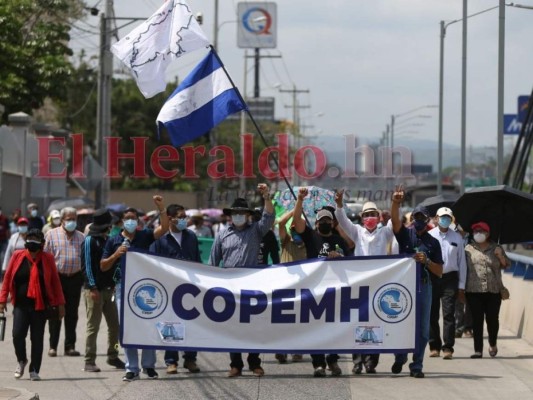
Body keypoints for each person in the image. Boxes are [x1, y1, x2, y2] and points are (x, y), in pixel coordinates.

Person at [100, 196, 168, 382]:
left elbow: (164, 229)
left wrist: (161, 208)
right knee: (127, 328)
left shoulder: (144, 235)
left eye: (133, 218)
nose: (130, 221)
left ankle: (148, 366)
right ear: (122, 221)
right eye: (127, 218)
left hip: (144, 287)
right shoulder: (114, 240)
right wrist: (116, 254)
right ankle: (132, 368)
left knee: (148, 325)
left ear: (137, 221)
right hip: (123, 288)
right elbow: (103, 266)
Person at [209, 184, 275, 378]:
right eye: (235, 213)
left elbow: (268, 217)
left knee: (254, 325)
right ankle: (235, 364)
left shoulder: (256, 230)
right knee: (233, 327)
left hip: (253, 284)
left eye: (241, 213)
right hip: (230, 286)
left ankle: (254, 362)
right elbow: (213, 261)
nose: (238, 216)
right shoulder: (222, 235)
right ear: (230, 215)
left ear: (247, 215)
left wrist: (266, 197)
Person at [334, 192, 397, 374]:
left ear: (378, 217)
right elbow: (342, 219)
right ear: (362, 218)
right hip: (360, 284)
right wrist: (339, 204)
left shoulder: (385, 232)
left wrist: (394, 203)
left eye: (373, 214)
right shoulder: (357, 232)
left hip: (378, 284)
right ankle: (357, 361)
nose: (370, 217)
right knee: (358, 322)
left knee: (375, 323)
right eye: (366, 214)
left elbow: (395, 219)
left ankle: (371, 361)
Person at [293, 187, 349, 377]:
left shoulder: (337, 239)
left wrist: (339, 255)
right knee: (315, 327)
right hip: (314, 289)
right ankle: (318, 364)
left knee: (334, 327)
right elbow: (296, 223)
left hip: (334, 289)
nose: (324, 222)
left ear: (332, 223)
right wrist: (300, 200)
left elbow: (350, 250)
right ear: (316, 223)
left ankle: (332, 360)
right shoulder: (310, 236)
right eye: (321, 220)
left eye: (328, 220)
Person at [390, 186, 443, 378]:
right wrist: (396, 202)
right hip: (404, 287)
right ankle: (400, 357)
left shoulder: (433, 242)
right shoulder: (405, 235)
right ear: (412, 218)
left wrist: (427, 261)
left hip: (424, 285)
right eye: (416, 217)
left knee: (423, 328)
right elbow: (395, 221)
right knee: (401, 322)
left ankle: (417, 365)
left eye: (422, 217)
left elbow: (440, 271)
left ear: (427, 220)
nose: (418, 220)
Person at [0, 229, 65, 381]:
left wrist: (60, 303)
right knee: (17, 335)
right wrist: (2, 300)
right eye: (29, 238)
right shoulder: (17, 256)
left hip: (40, 307)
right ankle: (22, 360)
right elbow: (8, 278)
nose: (31, 241)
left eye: (35, 239)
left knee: (37, 339)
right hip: (21, 305)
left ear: (42, 243)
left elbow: (55, 282)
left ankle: (34, 369)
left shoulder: (47, 259)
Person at [148, 203, 201, 375]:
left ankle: (190, 359)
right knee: (171, 324)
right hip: (169, 289)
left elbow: (198, 260)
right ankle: (171, 361)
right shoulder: (161, 241)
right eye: (180, 216)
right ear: (170, 219)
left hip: (191, 289)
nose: (184, 219)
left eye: (185, 216)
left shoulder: (191, 237)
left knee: (192, 324)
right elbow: (152, 264)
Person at [81, 209, 125, 372]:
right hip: (95, 291)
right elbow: (86, 267)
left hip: (109, 289)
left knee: (115, 326)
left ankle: (113, 354)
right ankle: (89, 360)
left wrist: (113, 282)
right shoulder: (89, 241)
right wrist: (92, 287)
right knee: (93, 326)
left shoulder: (108, 240)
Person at [464, 221, 510, 359]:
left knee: (492, 319)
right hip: (474, 290)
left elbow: (507, 265)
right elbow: (462, 268)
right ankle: (478, 350)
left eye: (481, 231)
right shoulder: (468, 248)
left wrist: (500, 256)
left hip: (493, 290)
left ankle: (493, 343)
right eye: (476, 231)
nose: (478, 233)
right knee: (477, 321)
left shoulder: (497, 247)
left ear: (488, 233)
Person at [44, 207, 85, 357]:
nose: (72, 222)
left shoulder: (82, 237)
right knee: (55, 313)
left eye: (74, 219)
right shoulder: (51, 235)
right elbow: (45, 259)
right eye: (69, 219)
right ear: (62, 220)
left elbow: (85, 259)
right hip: (57, 279)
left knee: (72, 314)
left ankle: (70, 346)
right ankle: (52, 346)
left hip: (75, 278)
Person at [428, 207, 467, 360]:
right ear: (436, 218)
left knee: (449, 313)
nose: (445, 220)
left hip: (450, 279)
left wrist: (461, 286)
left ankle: (448, 347)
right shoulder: (429, 236)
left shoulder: (457, 238)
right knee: (432, 314)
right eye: (442, 217)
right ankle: (434, 346)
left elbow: (462, 263)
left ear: (451, 219)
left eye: (448, 217)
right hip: (433, 277)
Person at [275, 210, 305, 363]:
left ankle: (297, 350)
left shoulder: (308, 243)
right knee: (283, 320)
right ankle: (281, 350)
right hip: (285, 285)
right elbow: (280, 223)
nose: (294, 229)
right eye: (291, 227)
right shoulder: (286, 241)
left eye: (297, 227)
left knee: (299, 320)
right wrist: (295, 210)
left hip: (302, 286)